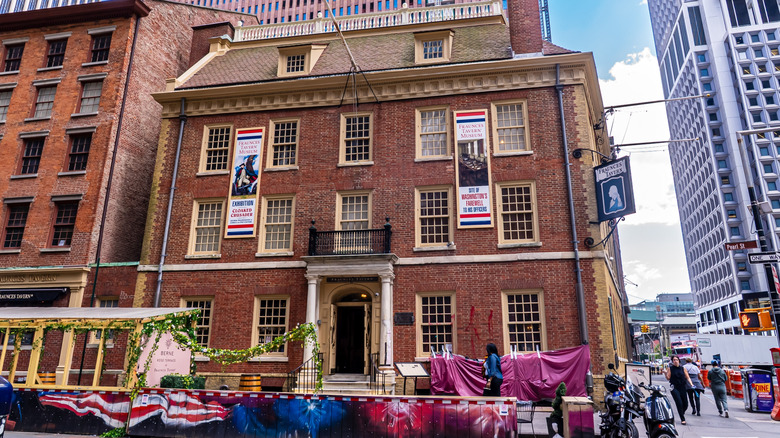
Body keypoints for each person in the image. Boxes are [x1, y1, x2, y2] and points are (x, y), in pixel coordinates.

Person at [664, 354, 693, 425]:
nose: (675, 361)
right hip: (674, 387)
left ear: (679, 361)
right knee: (679, 403)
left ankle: (681, 412)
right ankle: (682, 419)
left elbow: (688, 377)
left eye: (676, 360)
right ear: (672, 361)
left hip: (682, 387)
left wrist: (691, 384)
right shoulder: (670, 368)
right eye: (674, 360)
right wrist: (665, 373)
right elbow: (668, 378)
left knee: (685, 404)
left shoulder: (683, 368)